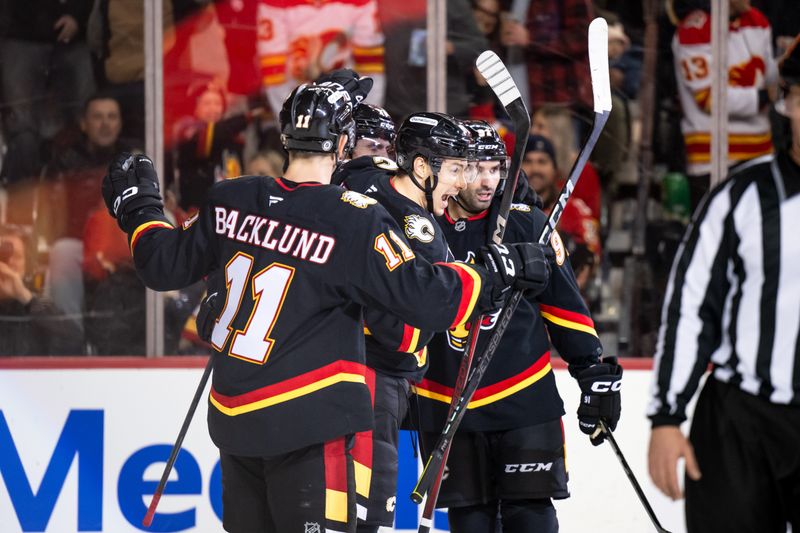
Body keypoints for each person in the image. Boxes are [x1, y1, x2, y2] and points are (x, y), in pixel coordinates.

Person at [101, 80, 550, 532]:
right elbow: (428, 298)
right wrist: (499, 271)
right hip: (312, 425)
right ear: (340, 143)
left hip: (235, 424)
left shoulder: (230, 197)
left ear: (283, 136)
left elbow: (160, 264)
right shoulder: (352, 217)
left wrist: (141, 208)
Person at [415, 121, 622, 532]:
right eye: (476, 168)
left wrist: (591, 372)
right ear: (453, 170)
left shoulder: (527, 224)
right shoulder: (421, 226)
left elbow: (564, 307)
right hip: (447, 403)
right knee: (470, 520)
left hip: (524, 398)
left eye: (496, 168)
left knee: (531, 516)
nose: (488, 180)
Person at [647, 34, 800, 533]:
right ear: (789, 102)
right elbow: (692, 306)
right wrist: (667, 417)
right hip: (740, 420)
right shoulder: (740, 196)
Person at [336, 109, 476, 531]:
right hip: (375, 382)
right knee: (366, 518)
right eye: (455, 169)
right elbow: (412, 328)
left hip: (342, 373)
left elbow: (353, 167)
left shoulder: (365, 180)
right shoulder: (421, 233)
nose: (462, 182)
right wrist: (486, 278)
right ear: (420, 167)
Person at [672, 0, 777, 210]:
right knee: (714, 236)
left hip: (760, 153)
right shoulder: (693, 30)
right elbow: (709, 98)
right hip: (711, 160)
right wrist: (764, 97)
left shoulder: (757, 21)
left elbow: (772, 76)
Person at [255, 0, 386, 116]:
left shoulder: (359, 2)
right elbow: (275, 75)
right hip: (297, 97)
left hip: (346, 98)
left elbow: (370, 69)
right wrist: (292, 123)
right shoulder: (274, 3)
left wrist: (362, 121)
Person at [0, 225, 82, 355]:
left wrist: (25, 296)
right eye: (2, 257)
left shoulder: (38, 302)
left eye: (16, 256)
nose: (9, 263)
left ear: (26, 265)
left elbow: (73, 340)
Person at [522, 134, 601, 262]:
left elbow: (593, 256)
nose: (535, 169)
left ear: (554, 169)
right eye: (528, 161)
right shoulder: (507, 208)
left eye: (542, 162)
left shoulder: (573, 208)